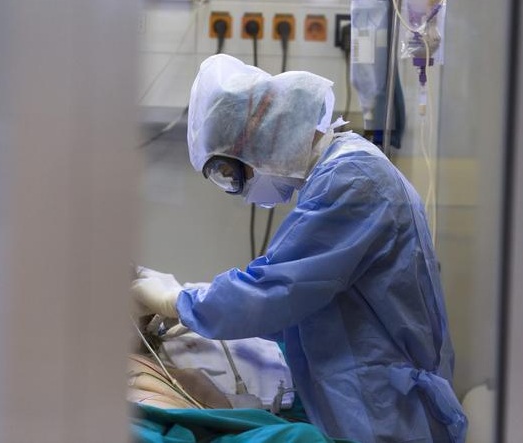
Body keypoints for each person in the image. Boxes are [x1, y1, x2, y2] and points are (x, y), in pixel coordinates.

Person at [132, 54, 467, 443]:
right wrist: (194, 308)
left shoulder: (353, 180)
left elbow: (276, 291)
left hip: (383, 412)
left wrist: (179, 301)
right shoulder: (342, 171)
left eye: (230, 173)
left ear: (262, 137)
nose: (240, 188)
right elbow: (296, 303)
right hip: (371, 399)